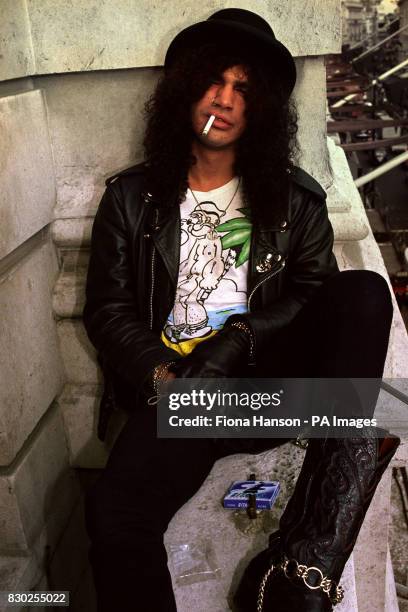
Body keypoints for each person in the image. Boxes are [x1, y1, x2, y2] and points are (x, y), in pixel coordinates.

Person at [83, 8, 399, 612]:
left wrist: (239, 340)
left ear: (261, 110)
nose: (224, 101)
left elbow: (314, 296)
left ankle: (307, 559)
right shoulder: (130, 198)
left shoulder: (294, 198)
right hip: (183, 398)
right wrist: (163, 376)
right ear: (185, 92)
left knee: (363, 293)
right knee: (116, 512)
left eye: (243, 90)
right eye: (213, 83)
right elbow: (108, 309)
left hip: (267, 391)